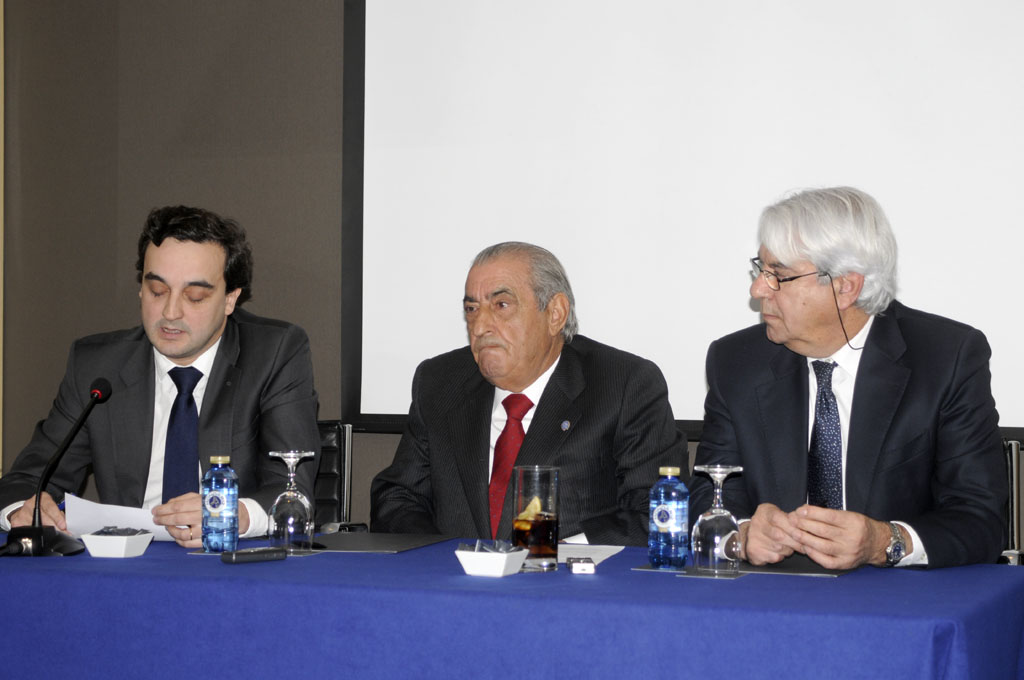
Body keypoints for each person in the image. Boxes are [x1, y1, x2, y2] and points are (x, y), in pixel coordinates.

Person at [690, 187, 1006, 569]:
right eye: (761, 270)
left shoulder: (945, 359)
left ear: (846, 287)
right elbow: (708, 497)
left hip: (897, 596)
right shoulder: (736, 362)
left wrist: (884, 541)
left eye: (779, 276)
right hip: (774, 592)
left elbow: (980, 519)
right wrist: (741, 534)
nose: (757, 289)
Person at [0, 206, 321, 547]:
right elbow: (27, 479)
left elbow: (293, 487)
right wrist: (23, 510)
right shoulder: (97, 366)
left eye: (194, 296)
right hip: (125, 564)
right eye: (157, 290)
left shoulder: (274, 353)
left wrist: (235, 515)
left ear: (230, 299)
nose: (170, 312)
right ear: (141, 288)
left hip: (229, 562)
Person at [371, 242, 684, 546]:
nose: (479, 327)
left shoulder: (623, 385)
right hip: (453, 577)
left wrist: (560, 552)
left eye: (501, 305)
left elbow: (657, 512)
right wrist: (443, 554)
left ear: (555, 313)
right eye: (472, 309)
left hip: (567, 577)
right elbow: (398, 498)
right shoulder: (440, 383)